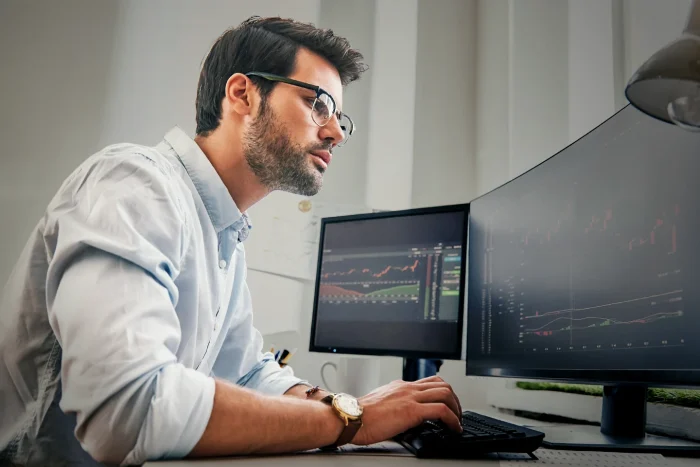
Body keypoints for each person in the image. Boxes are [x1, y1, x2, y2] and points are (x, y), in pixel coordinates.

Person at [0, 16, 463, 466]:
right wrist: (351, 420)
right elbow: (127, 409)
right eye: (319, 103)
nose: (336, 132)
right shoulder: (134, 184)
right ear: (242, 94)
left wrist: (346, 404)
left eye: (341, 117)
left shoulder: (224, 232)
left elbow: (245, 370)